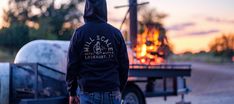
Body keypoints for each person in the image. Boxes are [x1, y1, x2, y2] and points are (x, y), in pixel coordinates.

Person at [66, 0, 129, 104]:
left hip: (88, 92)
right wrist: (118, 88)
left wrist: (72, 92)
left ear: (87, 9)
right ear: (104, 9)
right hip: (112, 91)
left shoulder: (79, 34)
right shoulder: (116, 33)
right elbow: (124, 66)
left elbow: (72, 65)